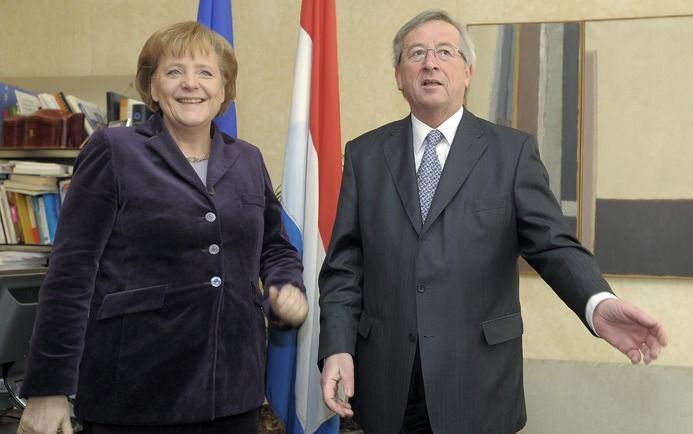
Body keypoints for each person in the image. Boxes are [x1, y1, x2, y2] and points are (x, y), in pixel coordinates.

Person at [317, 9, 668, 434]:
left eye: (445, 52)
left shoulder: (512, 152)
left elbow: (553, 245)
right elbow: (343, 267)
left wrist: (598, 303)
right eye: (417, 53)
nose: (430, 62)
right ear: (398, 75)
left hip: (478, 384)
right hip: (389, 386)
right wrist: (337, 346)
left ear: (467, 72)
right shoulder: (364, 155)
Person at [17, 21, 308, 434]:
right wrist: (48, 389)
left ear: (224, 90)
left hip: (233, 391)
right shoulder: (114, 150)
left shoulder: (246, 159)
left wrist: (285, 285)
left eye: (206, 72)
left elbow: (274, 246)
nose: (191, 84)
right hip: (137, 394)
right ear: (152, 87)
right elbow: (71, 273)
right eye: (174, 71)